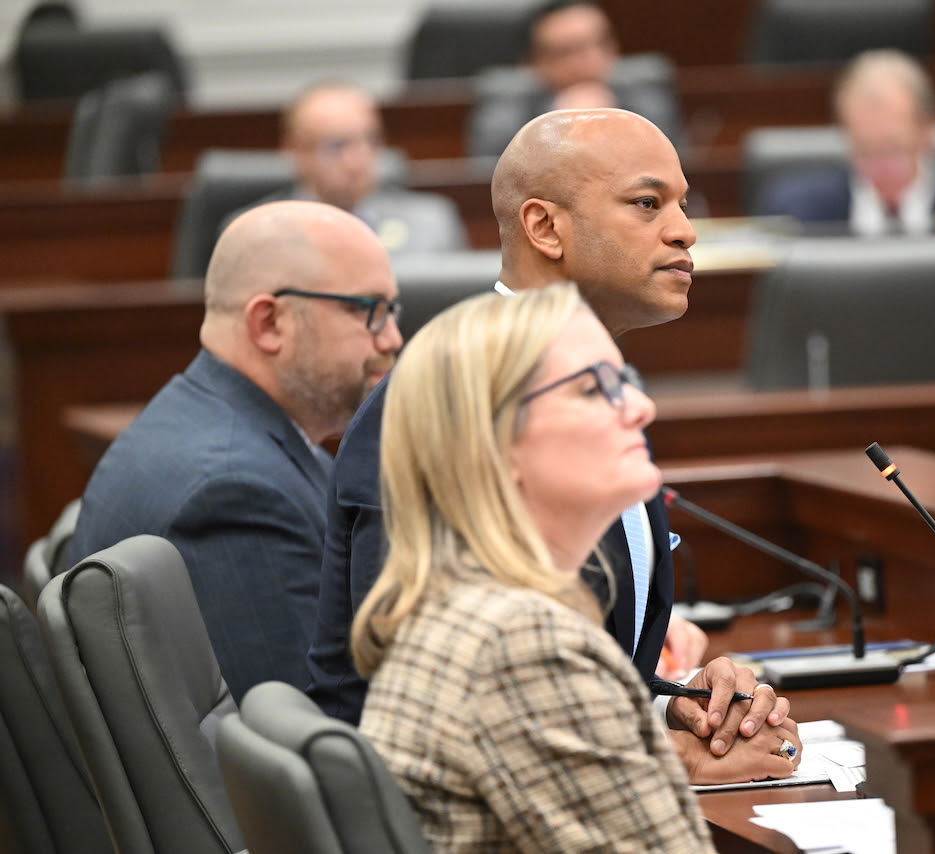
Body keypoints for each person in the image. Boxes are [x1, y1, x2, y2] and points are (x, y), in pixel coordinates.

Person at [308, 108, 795, 781]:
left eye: (682, 205)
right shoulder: (450, 400)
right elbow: (426, 703)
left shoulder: (585, 385)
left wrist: (675, 712)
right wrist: (668, 764)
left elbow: (564, 672)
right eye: (647, 204)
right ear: (544, 227)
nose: (684, 231)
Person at [356, 284, 799, 850]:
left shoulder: (473, 606)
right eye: (595, 389)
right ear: (496, 447)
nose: (641, 408)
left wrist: (668, 715)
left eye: (626, 382)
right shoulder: (524, 643)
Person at [67, 200, 403, 702]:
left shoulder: (209, 416)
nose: (393, 338)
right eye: (369, 311)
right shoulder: (232, 493)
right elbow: (305, 730)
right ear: (269, 323)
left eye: (393, 311)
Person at [762, 49, 935, 237]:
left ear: (928, 133)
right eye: (864, 152)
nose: (880, 168)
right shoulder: (797, 217)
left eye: (894, 149)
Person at [248, 81, 468, 258]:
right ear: (294, 151)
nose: (356, 162)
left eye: (370, 141)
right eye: (336, 146)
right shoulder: (256, 233)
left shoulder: (431, 223)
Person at [466, 1, 684, 158]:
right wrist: (557, 127)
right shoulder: (504, 110)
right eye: (568, 51)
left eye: (600, 43)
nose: (590, 59)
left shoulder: (646, 95)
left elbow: (678, 171)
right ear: (533, 63)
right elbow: (494, 186)